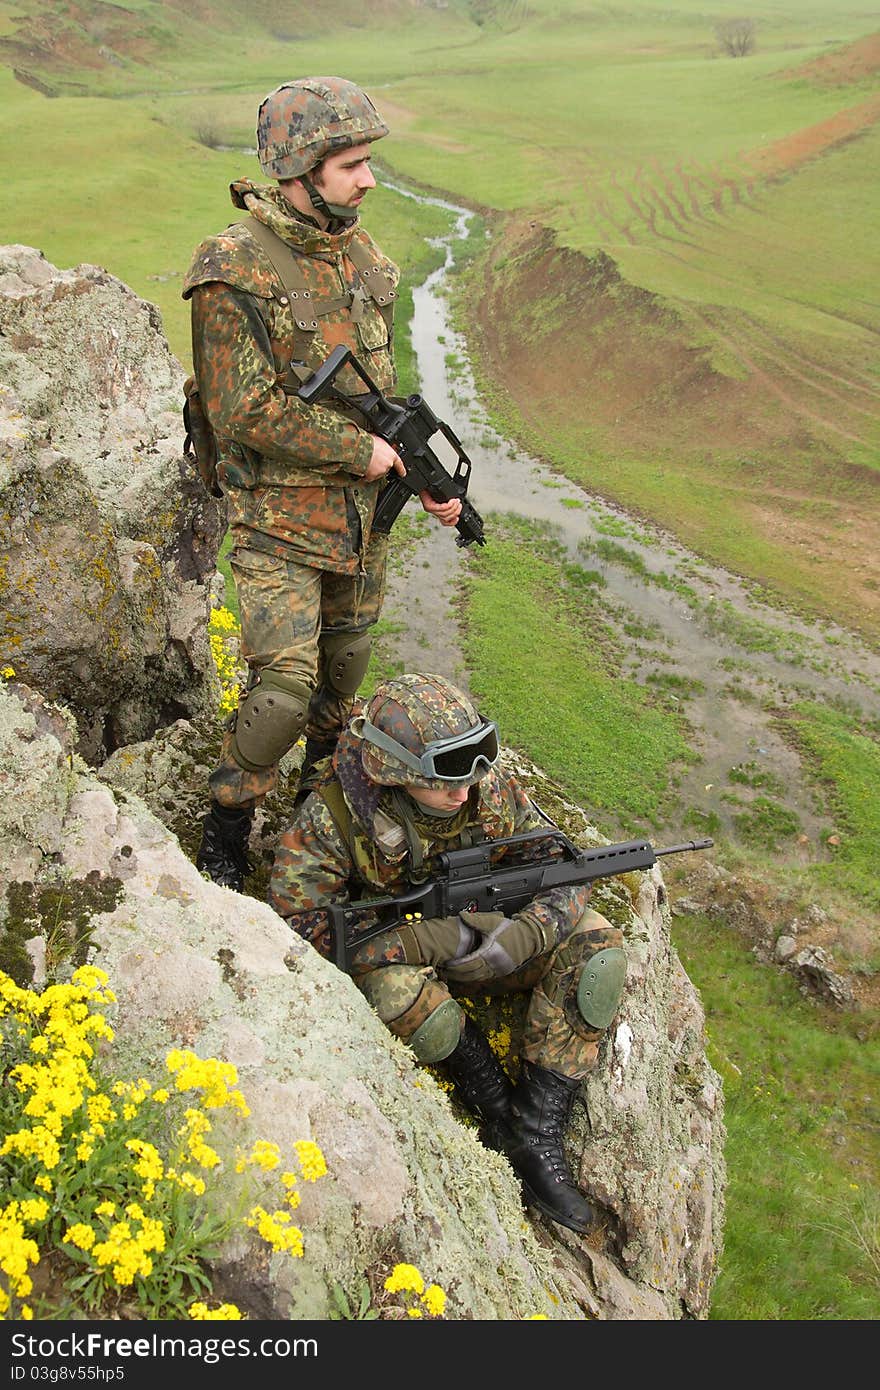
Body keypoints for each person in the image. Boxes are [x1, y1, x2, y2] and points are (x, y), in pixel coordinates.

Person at [182, 77, 461, 891]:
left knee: (343, 678)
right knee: (282, 693)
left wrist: (420, 473)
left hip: (360, 522)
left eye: (367, 162)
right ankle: (227, 828)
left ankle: (317, 815)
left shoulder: (364, 258)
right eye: (350, 165)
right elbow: (241, 413)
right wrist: (359, 450)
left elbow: (379, 396)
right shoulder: (232, 267)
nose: (368, 180)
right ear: (299, 171)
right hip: (278, 517)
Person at [268, 672, 627, 1234]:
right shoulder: (334, 818)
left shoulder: (486, 788)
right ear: (394, 774)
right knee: (396, 995)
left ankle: (536, 1127)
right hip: (401, 961)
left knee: (598, 946)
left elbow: (566, 866)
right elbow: (300, 929)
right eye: (442, 780)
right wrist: (428, 939)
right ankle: (490, 1101)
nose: (463, 791)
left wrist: (528, 932)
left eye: (472, 766)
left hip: (496, 942)